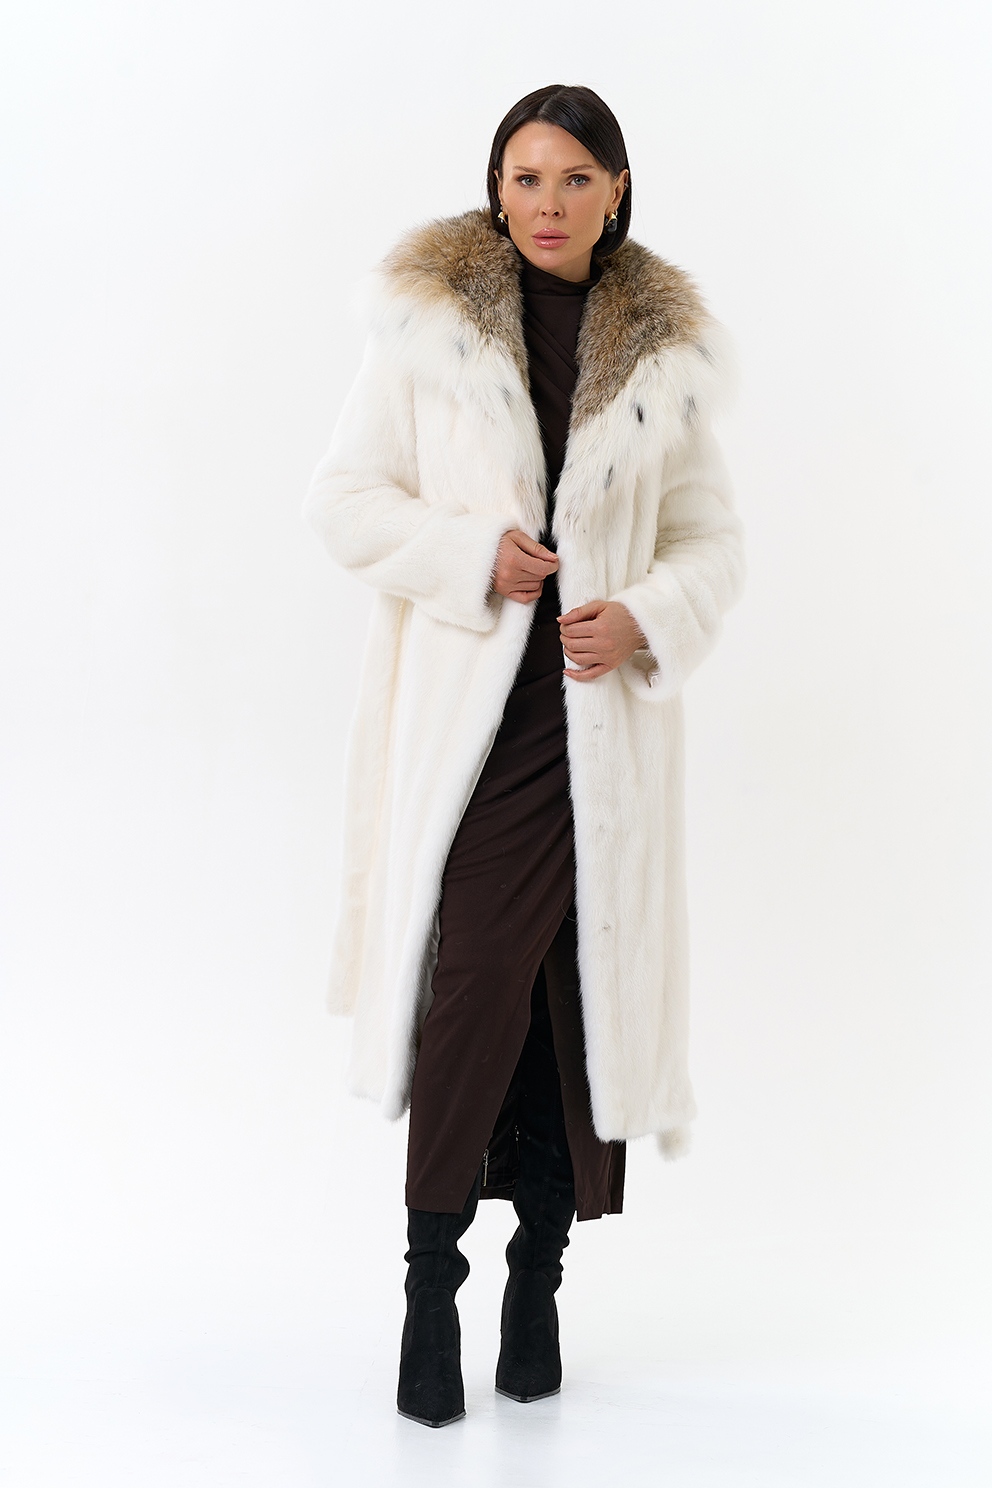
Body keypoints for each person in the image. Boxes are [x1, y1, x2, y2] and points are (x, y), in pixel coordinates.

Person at [303, 83, 744, 1427]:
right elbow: (343, 501)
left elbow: (711, 544)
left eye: (573, 179)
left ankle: (536, 1287)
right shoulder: (431, 330)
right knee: (475, 996)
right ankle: (429, 1291)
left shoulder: (662, 359)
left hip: (598, 740)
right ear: (496, 189)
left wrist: (646, 613)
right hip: (479, 739)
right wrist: (466, 555)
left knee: (571, 1015)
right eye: (525, 178)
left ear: (618, 189)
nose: (547, 204)